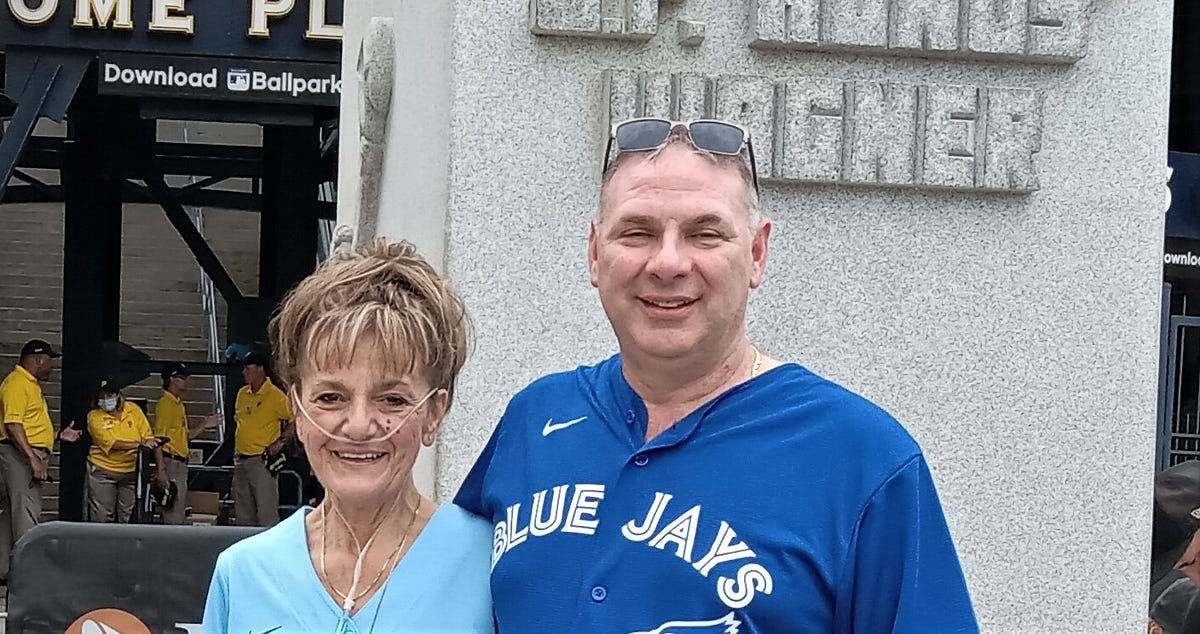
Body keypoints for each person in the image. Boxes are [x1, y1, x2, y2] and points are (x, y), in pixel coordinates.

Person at [455, 118, 978, 632]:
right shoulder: (536, 418)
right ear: (595, 254)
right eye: (637, 232)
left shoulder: (862, 459)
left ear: (756, 253)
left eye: (705, 234)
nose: (667, 262)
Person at [203, 240, 493, 632]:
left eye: (392, 399)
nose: (358, 425)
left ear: (435, 411)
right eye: (330, 397)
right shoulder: (242, 576)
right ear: (297, 409)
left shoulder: (491, 564)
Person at [0, 339, 71, 578]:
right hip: (19, 454)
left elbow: (29, 425)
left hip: (25, 452)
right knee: (26, 513)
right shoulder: (17, 383)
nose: (51, 367)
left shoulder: (29, 384)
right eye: (49, 361)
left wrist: (59, 435)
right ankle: (29, 574)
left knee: (12, 514)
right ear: (39, 359)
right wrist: (32, 458)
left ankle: (6, 570)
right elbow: (13, 423)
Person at [84, 379, 162, 523]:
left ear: (118, 394)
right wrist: (140, 444)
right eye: (101, 396)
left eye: (109, 395)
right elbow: (111, 443)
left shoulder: (133, 409)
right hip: (104, 471)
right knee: (103, 515)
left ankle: (124, 545)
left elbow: (148, 435)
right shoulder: (94, 416)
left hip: (131, 471)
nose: (106, 400)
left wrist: (157, 463)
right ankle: (101, 545)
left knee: (128, 515)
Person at [231, 350, 293, 526]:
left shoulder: (275, 396)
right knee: (242, 514)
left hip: (261, 461)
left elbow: (295, 419)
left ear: (261, 369)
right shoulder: (242, 394)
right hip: (240, 460)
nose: (244, 372)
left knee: (266, 513)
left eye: (248, 368)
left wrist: (280, 442)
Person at [152, 362, 220, 524]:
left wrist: (205, 425)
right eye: (182, 378)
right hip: (171, 461)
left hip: (180, 462)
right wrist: (161, 470)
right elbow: (158, 439)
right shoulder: (166, 405)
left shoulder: (178, 404)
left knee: (178, 508)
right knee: (173, 511)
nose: (186, 381)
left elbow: (184, 437)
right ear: (172, 380)